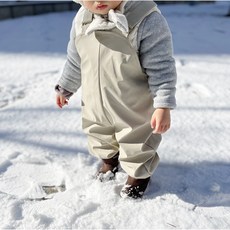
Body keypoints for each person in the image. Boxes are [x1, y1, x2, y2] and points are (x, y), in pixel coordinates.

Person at [55, 0, 177, 199]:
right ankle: (110, 160)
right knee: (98, 132)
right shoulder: (82, 19)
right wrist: (65, 87)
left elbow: (161, 67)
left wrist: (163, 104)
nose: (98, 1)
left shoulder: (145, 20)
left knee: (136, 139)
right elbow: (75, 59)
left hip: (133, 105)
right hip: (95, 101)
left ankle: (139, 175)